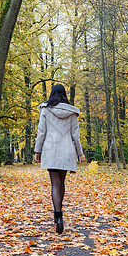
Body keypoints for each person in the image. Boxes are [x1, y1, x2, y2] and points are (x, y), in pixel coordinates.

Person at [34, 84, 86, 234]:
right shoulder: (71, 112)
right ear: (64, 95)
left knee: (55, 184)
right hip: (66, 150)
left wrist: (37, 150)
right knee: (62, 182)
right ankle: (59, 213)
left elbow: (41, 132)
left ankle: (58, 216)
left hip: (50, 150)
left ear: (52, 94)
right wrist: (80, 153)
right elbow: (75, 135)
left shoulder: (45, 110)